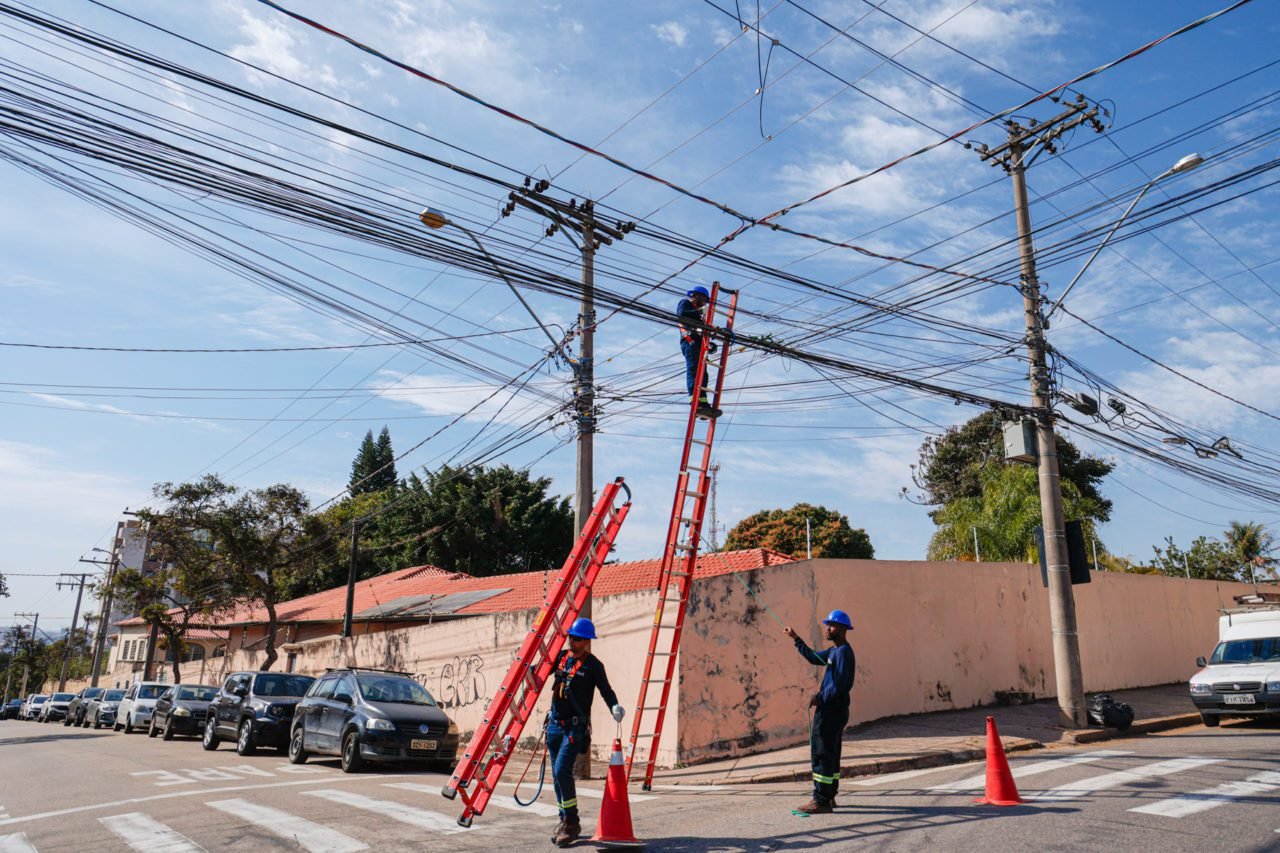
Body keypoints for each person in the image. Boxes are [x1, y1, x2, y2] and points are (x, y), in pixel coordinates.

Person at [547, 617, 626, 848]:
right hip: (554, 726)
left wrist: (614, 707)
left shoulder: (593, 666)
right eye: (571, 637)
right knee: (556, 777)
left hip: (575, 727)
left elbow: (606, 691)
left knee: (563, 771)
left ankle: (572, 822)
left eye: (578, 639)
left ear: (587, 642)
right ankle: (564, 819)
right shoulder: (561, 657)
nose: (572, 641)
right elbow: (540, 673)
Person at [783, 609, 856, 815]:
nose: (828, 628)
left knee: (822, 754)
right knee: (831, 754)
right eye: (828, 625)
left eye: (832, 625)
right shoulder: (834, 652)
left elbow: (841, 684)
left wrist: (820, 698)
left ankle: (821, 800)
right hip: (833, 710)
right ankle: (829, 796)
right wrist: (796, 638)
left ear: (843, 629)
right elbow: (814, 657)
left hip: (832, 711)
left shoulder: (843, 652)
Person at [676, 286, 721, 419]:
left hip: (698, 343)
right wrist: (700, 312)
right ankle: (695, 403)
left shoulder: (698, 315)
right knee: (694, 370)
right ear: (697, 296)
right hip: (689, 342)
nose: (705, 303)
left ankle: (703, 404)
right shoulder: (685, 303)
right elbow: (682, 314)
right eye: (704, 299)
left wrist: (710, 335)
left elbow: (701, 329)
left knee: (703, 374)